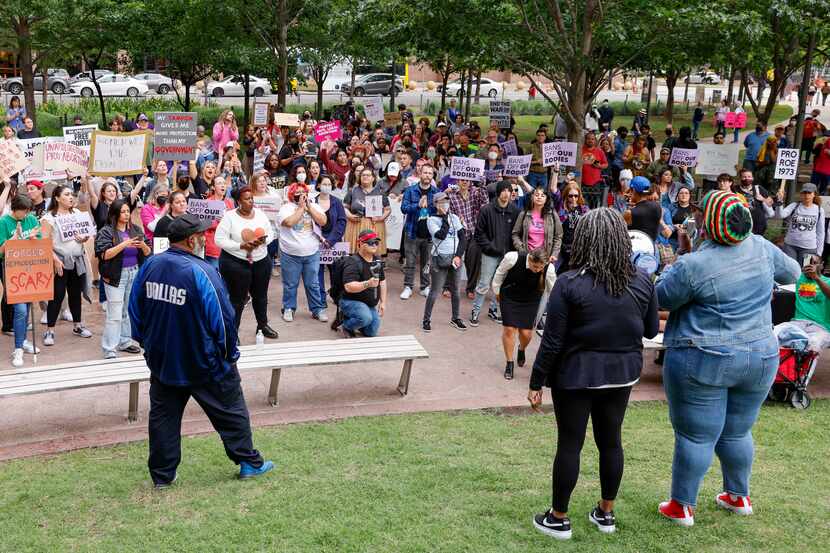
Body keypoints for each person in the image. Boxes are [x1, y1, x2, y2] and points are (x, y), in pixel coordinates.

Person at [655, 190, 800, 527]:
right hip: (761, 356)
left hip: (704, 358)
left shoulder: (694, 264)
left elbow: (661, 297)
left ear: (706, 224)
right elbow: (792, 273)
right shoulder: (763, 248)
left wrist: (683, 256)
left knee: (696, 435)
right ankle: (738, 496)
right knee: (737, 432)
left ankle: (681, 507)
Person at [530, 208, 658, 540]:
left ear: (584, 241)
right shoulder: (643, 281)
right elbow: (648, 329)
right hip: (622, 375)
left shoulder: (570, 283)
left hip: (575, 376)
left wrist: (536, 381)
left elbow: (553, 341)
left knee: (570, 444)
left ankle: (558, 518)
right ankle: (606, 513)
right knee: (611, 442)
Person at [128, 214, 274, 488]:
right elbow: (223, 319)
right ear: (192, 239)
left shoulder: (150, 265)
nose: (205, 239)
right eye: (202, 235)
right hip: (204, 362)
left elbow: (134, 310)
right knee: (231, 411)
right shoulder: (203, 271)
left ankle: (163, 476)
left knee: (163, 418)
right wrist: (230, 354)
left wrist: (147, 343)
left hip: (163, 360)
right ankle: (249, 463)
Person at [215, 187, 279, 338]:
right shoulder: (229, 217)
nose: (251, 201)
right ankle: (233, 332)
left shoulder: (261, 214)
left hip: (261, 262)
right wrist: (240, 246)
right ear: (238, 201)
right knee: (238, 300)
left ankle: (262, 326)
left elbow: (270, 233)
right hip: (236, 264)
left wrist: (263, 241)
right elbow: (219, 240)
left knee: (261, 296)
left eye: (252, 198)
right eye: (247, 199)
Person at [95, 199, 150, 358]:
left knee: (127, 310)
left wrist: (143, 246)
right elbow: (104, 254)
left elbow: (147, 252)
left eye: (128, 212)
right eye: (123, 211)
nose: (126, 214)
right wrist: (124, 244)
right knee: (115, 313)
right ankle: (109, 348)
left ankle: (125, 341)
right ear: (115, 213)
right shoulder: (106, 232)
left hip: (134, 272)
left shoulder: (136, 230)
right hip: (115, 276)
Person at [39, 185, 94, 346]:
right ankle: (50, 330)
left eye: (72, 194)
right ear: (57, 198)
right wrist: (55, 259)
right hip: (59, 262)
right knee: (57, 295)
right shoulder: (49, 218)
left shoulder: (77, 213)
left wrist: (83, 238)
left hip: (77, 260)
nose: (71, 197)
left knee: (76, 294)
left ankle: (77, 325)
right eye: (67, 194)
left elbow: (86, 234)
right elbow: (44, 242)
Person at [493, 248, 556, 380]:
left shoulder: (549, 269)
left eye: (540, 267)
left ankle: (521, 349)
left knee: (526, 334)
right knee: (509, 329)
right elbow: (499, 273)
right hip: (510, 296)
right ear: (530, 259)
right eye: (535, 266)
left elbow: (553, 291)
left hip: (531, 301)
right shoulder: (512, 258)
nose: (537, 270)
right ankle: (509, 363)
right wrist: (497, 291)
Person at [277, 183, 328, 323]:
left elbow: (323, 221)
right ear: (292, 195)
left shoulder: (314, 206)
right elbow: (289, 222)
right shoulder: (286, 208)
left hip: (312, 253)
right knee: (290, 284)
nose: (301, 194)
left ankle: (317, 309)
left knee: (313, 283)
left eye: (303, 192)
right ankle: (289, 308)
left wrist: (309, 208)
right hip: (290, 253)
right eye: (297, 192)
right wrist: (301, 208)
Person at [0, 195, 42, 367]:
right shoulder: (3, 222)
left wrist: (33, 238)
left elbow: (39, 242)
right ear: (14, 209)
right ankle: (18, 349)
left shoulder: (31, 219)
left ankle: (23, 339)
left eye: (27, 212)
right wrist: (13, 240)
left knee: (28, 307)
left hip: (30, 268)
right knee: (20, 310)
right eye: (23, 212)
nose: (25, 215)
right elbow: (1, 251)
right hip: (11, 269)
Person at [470, 181, 520, 326]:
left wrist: (513, 252)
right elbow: (479, 233)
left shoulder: (515, 211)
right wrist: (489, 247)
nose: (506, 193)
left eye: (508, 190)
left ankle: (494, 309)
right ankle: (476, 311)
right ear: (498, 192)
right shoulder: (486, 209)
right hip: (490, 253)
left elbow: (517, 233)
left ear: (512, 193)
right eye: (503, 190)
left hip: (508, 255)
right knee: (484, 283)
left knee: (502, 285)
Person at [422, 193, 467, 332]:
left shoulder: (454, 217)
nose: (445, 204)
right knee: (435, 291)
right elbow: (441, 235)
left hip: (455, 259)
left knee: (456, 291)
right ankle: (426, 319)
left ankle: (456, 318)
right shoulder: (431, 220)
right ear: (435, 204)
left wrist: (458, 256)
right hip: (439, 259)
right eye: (441, 201)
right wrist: (445, 218)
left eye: (447, 201)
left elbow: (463, 238)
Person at [774, 257, 830, 352]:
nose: (810, 266)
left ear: (822, 265)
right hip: (797, 323)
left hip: (820, 328)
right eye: (808, 263)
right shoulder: (798, 278)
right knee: (774, 333)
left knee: (813, 344)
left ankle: (801, 358)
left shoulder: (827, 281)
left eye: (814, 263)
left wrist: (816, 278)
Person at [400, 165, 439, 299]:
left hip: (429, 233)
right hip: (412, 231)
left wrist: (432, 206)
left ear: (432, 176)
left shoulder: (435, 192)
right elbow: (403, 208)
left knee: (426, 262)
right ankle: (408, 287)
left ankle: (424, 287)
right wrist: (417, 205)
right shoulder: (410, 191)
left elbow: (440, 212)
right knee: (410, 262)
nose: (427, 175)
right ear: (420, 174)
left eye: (430, 173)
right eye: (425, 172)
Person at [339, 230, 387, 337]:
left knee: (371, 332)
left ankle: (358, 319)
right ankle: (346, 325)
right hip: (350, 301)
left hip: (368, 304)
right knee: (365, 317)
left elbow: (382, 281)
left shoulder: (377, 260)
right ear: (360, 244)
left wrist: (383, 302)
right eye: (370, 242)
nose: (374, 245)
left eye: (376, 242)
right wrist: (367, 284)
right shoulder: (352, 262)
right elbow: (348, 287)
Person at [314, 175, 347, 312]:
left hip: (334, 242)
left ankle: (336, 294)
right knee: (317, 272)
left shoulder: (337, 202)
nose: (326, 186)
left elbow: (341, 222)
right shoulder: (312, 201)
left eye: (329, 184)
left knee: (336, 271)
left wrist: (331, 240)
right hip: (316, 241)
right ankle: (320, 298)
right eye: (324, 184)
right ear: (318, 185)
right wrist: (320, 238)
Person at [343, 168, 391, 257]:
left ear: (373, 178)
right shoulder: (353, 191)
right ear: (360, 177)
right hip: (355, 225)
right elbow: (345, 207)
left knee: (373, 253)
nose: (365, 177)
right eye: (363, 175)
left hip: (375, 225)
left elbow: (387, 209)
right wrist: (349, 215)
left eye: (368, 175)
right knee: (356, 253)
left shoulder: (380, 192)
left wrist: (380, 218)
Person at [774, 182, 825, 265]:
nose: (806, 195)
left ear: (814, 194)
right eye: (804, 193)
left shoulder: (819, 210)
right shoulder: (794, 206)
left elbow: (820, 232)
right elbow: (780, 215)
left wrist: (819, 253)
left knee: (805, 273)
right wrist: (779, 202)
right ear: (801, 194)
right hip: (790, 245)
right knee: (790, 271)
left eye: (809, 193)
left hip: (809, 247)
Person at [556, 182, 589, 273]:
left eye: (576, 196)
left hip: (579, 247)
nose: (573, 198)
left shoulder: (584, 209)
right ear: (566, 196)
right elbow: (554, 191)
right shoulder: (562, 208)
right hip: (563, 246)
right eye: (571, 196)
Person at [732, 169, 774, 236]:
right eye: (744, 177)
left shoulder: (759, 188)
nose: (747, 179)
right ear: (740, 178)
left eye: (749, 176)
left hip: (759, 223)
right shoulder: (735, 189)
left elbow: (770, 202)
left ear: (753, 178)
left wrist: (762, 199)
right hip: (742, 223)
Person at [624, 176, 661, 241]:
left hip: (634, 248)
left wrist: (624, 201)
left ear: (633, 190)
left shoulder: (629, 213)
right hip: (651, 247)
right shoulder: (657, 207)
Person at [581, 133, 609, 209]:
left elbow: (606, 164)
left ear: (595, 141)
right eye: (588, 139)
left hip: (595, 182)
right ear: (585, 140)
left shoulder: (599, 151)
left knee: (594, 205)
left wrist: (599, 166)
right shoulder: (580, 150)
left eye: (592, 139)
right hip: (582, 181)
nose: (590, 140)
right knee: (582, 203)